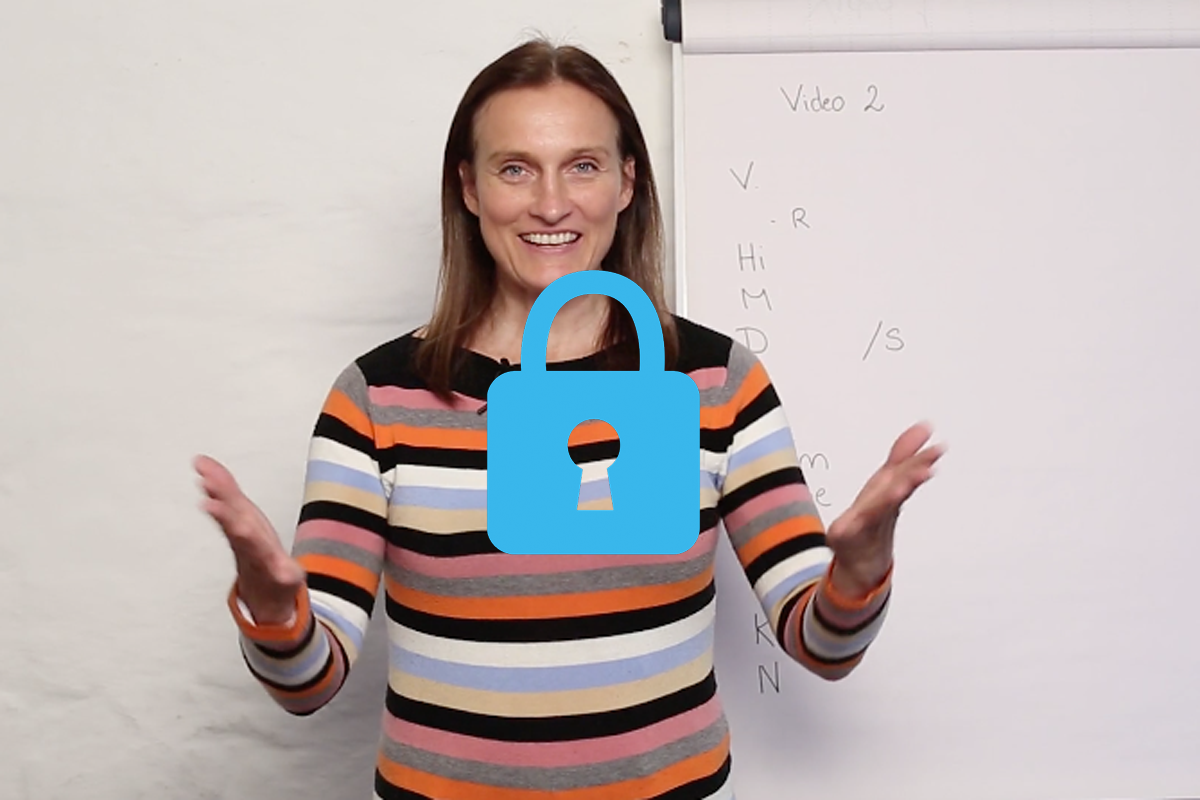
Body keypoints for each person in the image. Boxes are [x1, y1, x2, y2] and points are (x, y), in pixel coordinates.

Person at [194, 37, 944, 800]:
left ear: (626, 182)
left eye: (582, 166)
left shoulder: (716, 381)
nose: (551, 203)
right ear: (470, 188)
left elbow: (822, 646)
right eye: (515, 168)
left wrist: (857, 575)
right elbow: (308, 684)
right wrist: (275, 610)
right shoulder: (377, 397)